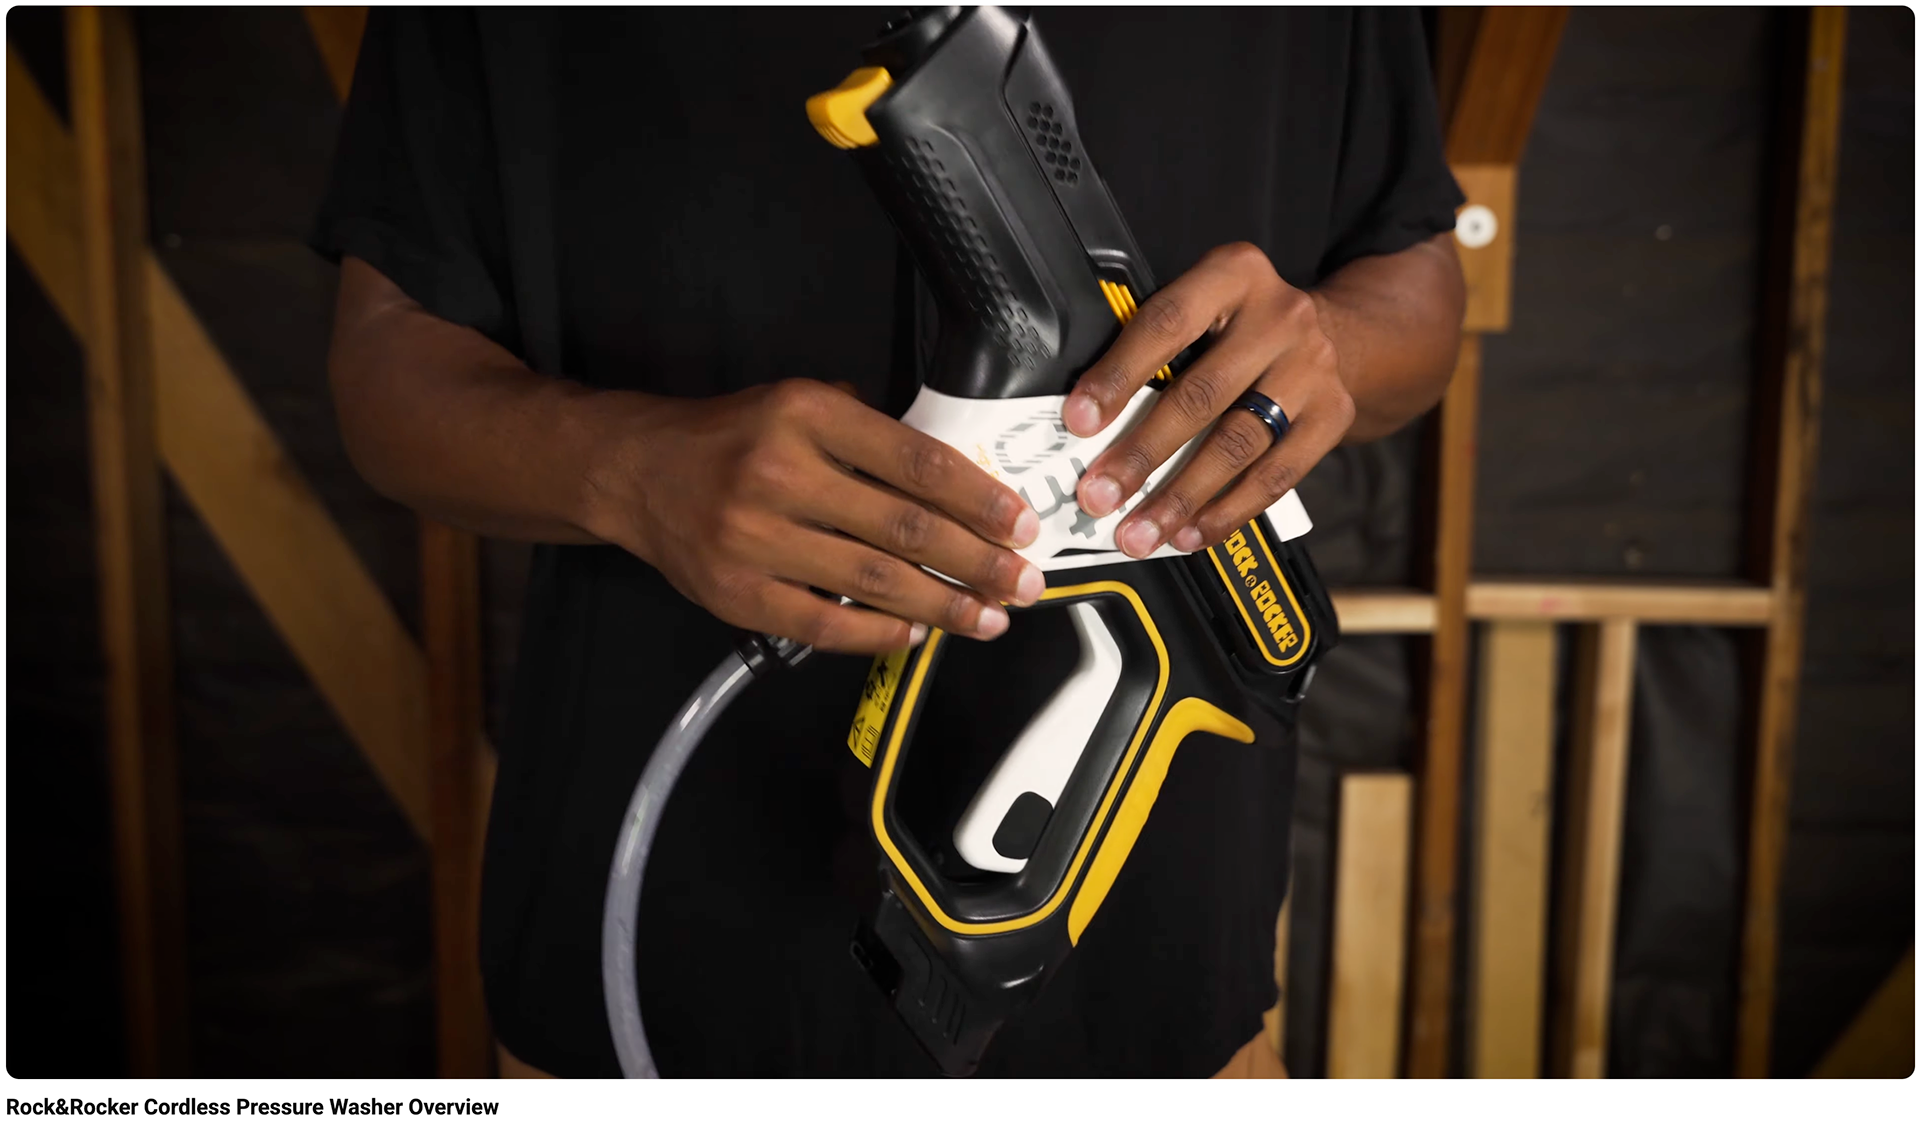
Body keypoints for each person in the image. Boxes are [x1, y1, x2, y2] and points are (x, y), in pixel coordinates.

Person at [313, 7, 1465, 1078]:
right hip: (652, 966)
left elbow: (1414, 276)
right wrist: (628, 470)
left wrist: (1326, 349)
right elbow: (387, 352)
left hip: (1158, 999)